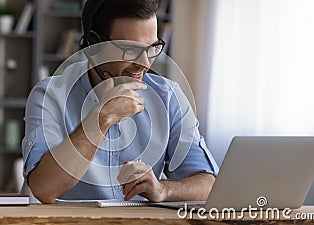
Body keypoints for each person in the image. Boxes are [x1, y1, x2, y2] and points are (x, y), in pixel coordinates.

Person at [22, 0, 218, 204]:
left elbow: (209, 184)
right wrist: (101, 119)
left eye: (152, 48)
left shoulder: (169, 97)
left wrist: (163, 190)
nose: (143, 64)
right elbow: (43, 189)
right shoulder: (50, 95)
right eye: (130, 50)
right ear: (93, 44)